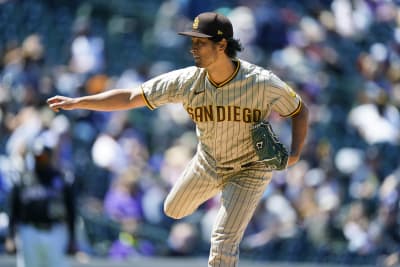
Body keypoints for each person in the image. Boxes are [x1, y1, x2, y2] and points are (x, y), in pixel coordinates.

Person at [47, 11, 309, 267]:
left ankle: (231, 199)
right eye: (192, 41)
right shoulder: (187, 81)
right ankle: (220, 191)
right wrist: (79, 102)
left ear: (222, 45)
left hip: (250, 169)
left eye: (200, 42)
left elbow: (299, 111)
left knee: (223, 240)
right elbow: (130, 97)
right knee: (173, 209)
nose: (193, 48)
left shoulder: (260, 82)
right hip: (209, 162)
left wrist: (295, 153)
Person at [5, 136, 77, 267]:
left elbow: (71, 210)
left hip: (55, 231)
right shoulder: (23, 179)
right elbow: (13, 209)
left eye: (43, 156)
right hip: (29, 231)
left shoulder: (61, 178)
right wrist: (11, 236)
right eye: (37, 157)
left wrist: (72, 238)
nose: (40, 160)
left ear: (49, 156)